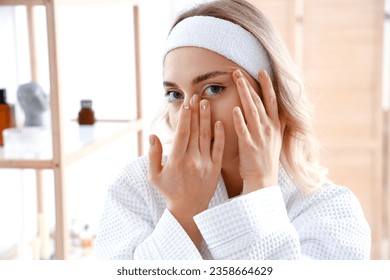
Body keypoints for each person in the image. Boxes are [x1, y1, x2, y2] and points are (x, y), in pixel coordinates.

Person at [94, 0, 371, 259]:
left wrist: (260, 193)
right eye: (175, 94)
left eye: (213, 88)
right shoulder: (135, 188)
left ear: (267, 96)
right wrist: (183, 213)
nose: (189, 111)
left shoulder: (331, 213)